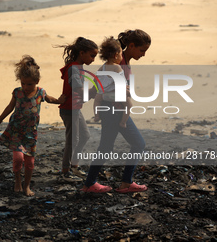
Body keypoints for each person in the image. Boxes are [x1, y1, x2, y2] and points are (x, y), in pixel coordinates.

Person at [82, 29, 151, 193]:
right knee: (137, 143)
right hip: (115, 111)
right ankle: (122, 183)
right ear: (131, 46)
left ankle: (92, 183)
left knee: (106, 147)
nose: (143, 54)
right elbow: (100, 87)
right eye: (142, 50)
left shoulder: (122, 62)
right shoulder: (119, 64)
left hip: (112, 110)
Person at [0, 55, 65, 196]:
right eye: (23, 83)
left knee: (30, 163)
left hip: (31, 133)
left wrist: (59, 101)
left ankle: (27, 186)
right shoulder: (17, 92)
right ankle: (18, 180)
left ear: (36, 81)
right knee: (18, 159)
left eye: (29, 84)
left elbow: (49, 99)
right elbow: (10, 107)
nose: (25, 87)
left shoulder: (40, 92)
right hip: (15, 130)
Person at [57, 37, 98, 182]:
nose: (93, 59)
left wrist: (92, 93)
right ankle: (65, 170)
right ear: (82, 53)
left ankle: (74, 164)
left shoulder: (78, 67)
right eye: (92, 55)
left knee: (84, 136)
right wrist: (94, 92)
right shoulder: (74, 68)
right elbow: (78, 90)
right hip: (69, 109)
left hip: (75, 108)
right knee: (72, 140)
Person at [93, 36, 132, 128]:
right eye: (121, 55)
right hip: (114, 95)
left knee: (96, 101)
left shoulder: (102, 67)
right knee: (129, 105)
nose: (122, 57)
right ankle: (123, 122)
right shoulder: (117, 68)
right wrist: (126, 91)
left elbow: (96, 78)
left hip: (103, 95)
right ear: (116, 55)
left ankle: (96, 116)